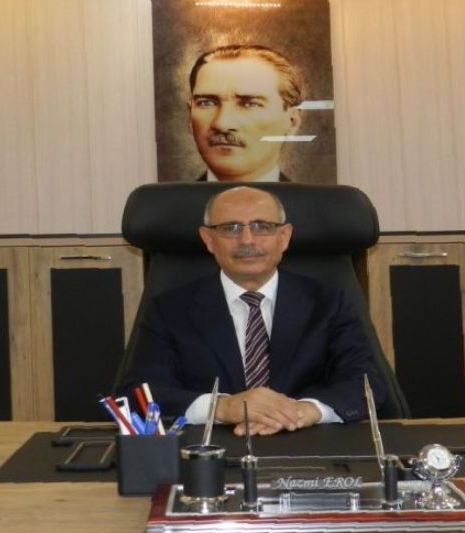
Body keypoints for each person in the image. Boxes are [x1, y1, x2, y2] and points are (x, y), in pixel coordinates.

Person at [118, 186, 386, 435]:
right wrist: (222, 407)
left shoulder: (329, 303)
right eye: (230, 228)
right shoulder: (169, 309)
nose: (247, 240)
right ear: (208, 239)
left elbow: (366, 384)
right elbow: (138, 395)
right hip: (214, 450)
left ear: (284, 237)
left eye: (262, 227)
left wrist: (304, 411)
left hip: (306, 442)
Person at [187, 45, 304, 182]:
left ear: (292, 122)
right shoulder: (167, 197)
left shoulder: (317, 198)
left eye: (250, 104)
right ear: (190, 118)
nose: (222, 124)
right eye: (207, 103)